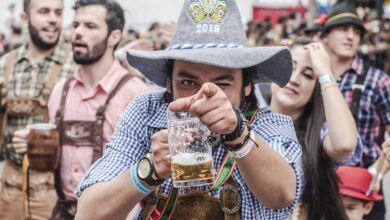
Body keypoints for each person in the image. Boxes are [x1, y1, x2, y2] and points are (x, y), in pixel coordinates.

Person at [76, 0, 303, 219]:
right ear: (168, 83)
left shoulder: (267, 124)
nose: (203, 97)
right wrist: (149, 172)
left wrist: (238, 134)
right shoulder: (146, 111)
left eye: (222, 83)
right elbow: (88, 214)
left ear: (246, 85)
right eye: (188, 83)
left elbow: (282, 195)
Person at [45, 0, 149, 218]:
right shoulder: (60, 91)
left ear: (114, 37)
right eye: (75, 25)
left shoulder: (136, 95)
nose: (78, 33)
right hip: (63, 212)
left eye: (90, 26)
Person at [265, 38, 362, 220]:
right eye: (290, 67)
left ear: (315, 90)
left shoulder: (318, 134)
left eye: (308, 75)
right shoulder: (246, 121)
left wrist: (325, 72)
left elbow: (345, 144)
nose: (294, 79)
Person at [0, 0, 76, 219]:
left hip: (56, 186)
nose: (53, 18)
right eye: (44, 11)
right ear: (25, 19)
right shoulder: (5, 64)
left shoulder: (77, 65)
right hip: (10, 183)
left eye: (58, 12)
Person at [320, 2, 390, 219]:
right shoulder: (312, 78)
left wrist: (376, 172)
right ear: (325, 37)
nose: (350, 36)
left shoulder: (378, 81)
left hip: (363, 192)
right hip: (322, 188)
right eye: (342, 29)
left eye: (356, 31)